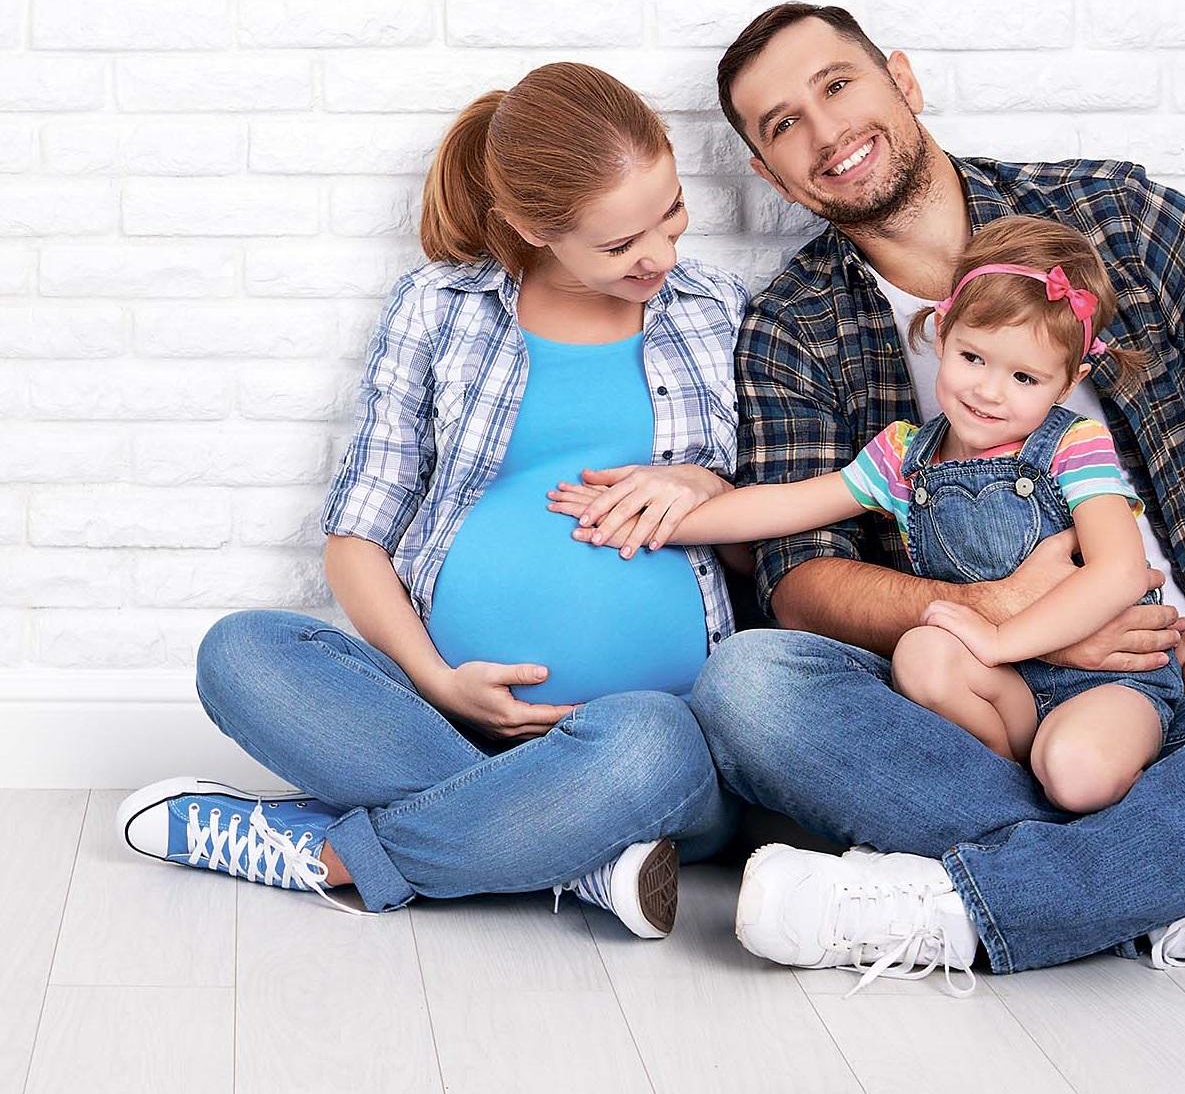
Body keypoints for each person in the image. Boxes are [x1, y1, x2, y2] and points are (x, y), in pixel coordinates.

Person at [683, 2, 1185, 996]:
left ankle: (960, 904)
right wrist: (999, 613)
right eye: (783, 124)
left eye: (837, 84)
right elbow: (800, 580)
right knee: (749, 685)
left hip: (1175, 685)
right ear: (768, 173)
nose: (825, 129)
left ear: (903, 79)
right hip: (974, 713)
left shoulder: (1113, 218)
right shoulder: (793, 325)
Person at [114, 63, 749, 938]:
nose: (662, 256)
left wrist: (705, 487)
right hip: (437, 719)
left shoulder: (716, 310)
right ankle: (572, 855)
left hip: (646, 751)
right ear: (532, 227)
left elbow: (762, 556)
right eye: (618, 245)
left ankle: (340, 857)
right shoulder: (439, 308)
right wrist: (438, 681)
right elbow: (356, 537)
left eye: (671, 212)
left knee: (652, 742)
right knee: (241, 651)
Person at [556, 215, 1182, 818]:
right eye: (973, 358)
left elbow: (1119, 572)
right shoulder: (905, 454)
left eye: (1024, 377)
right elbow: (786, 505)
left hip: (1106, 678)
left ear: (1069, 382)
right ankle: (1006, 812)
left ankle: (1029, 819)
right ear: (942, 331)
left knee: (1075, 772)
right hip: (998, 686)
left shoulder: (1074, 447)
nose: (989, 391)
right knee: (921, 653)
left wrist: (1002, 638)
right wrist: (656, 518)